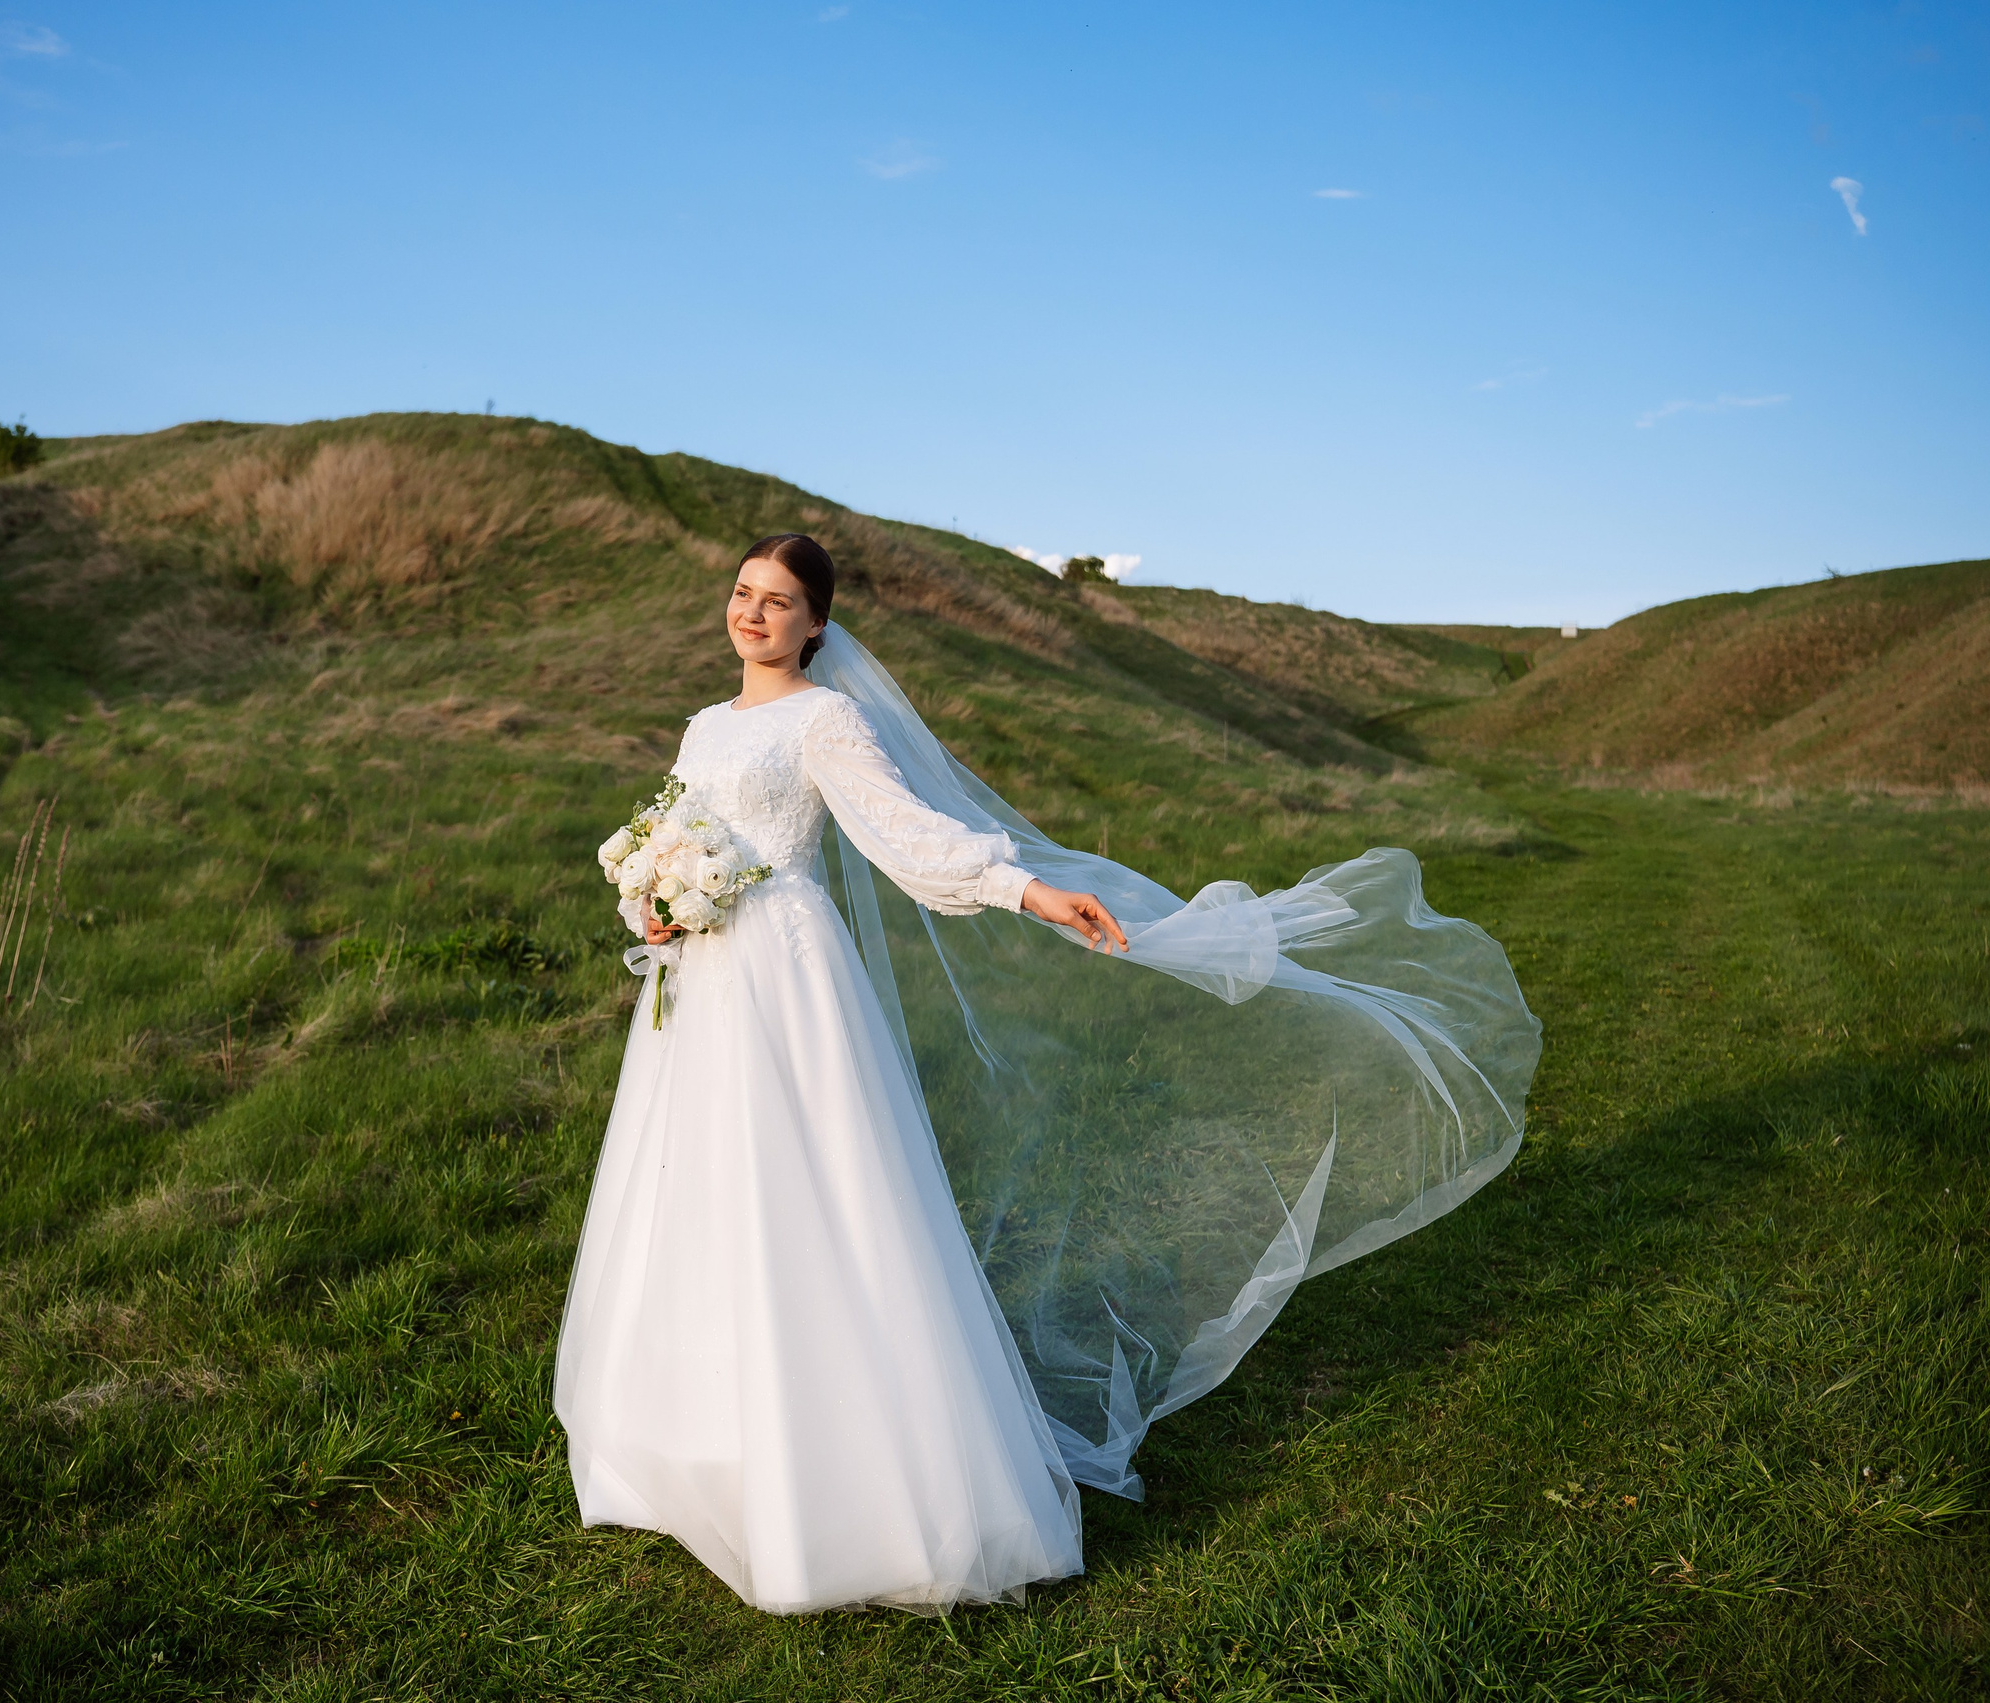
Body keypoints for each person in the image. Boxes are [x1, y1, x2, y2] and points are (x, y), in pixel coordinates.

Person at [552, 534, 1540, 1614]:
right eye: (743, 594)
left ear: (815, 625)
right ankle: (689, 1441)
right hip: (699, 977)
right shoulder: (704, 724)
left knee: (799, 1192)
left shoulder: (825, 720)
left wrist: (1027, 891)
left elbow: (909, 834)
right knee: (690, 1187)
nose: (753, 615)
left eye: (778, 602)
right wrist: (650, 895)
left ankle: (833, 1478)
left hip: (784, 973)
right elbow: (676, 831)